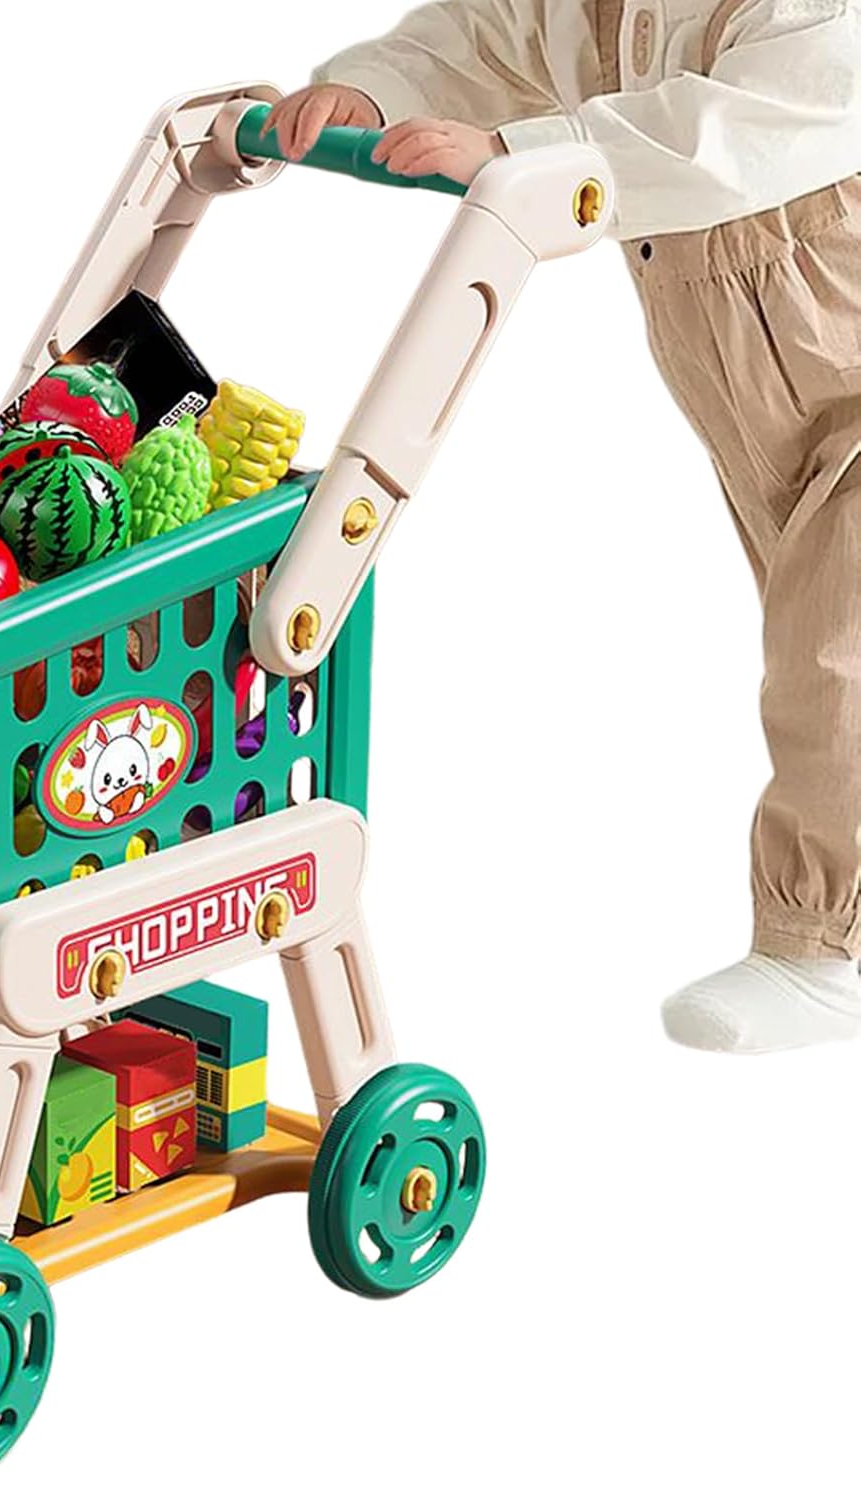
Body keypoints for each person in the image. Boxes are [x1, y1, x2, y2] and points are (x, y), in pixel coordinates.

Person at [266, 2, 861, 1053]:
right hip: (752, 382)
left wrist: (529, 150)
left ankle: (816, 945)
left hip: (839, 347)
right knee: (808, 616)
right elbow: (479, 38)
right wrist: (382, 89)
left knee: (833, 653)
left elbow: (748, 125)